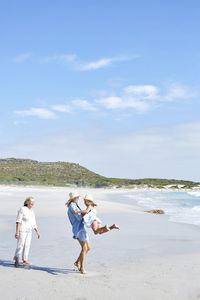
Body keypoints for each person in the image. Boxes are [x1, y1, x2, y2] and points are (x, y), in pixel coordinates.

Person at [66, 192, 90, 274]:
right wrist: (86, 211)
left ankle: (77, 262)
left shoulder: (75, 205)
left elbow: (80, 215)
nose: (78, 198)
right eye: (76, 197)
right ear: (73, 198)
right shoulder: (72, 205)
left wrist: (86, 212)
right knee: (84, 248)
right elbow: (79, 218)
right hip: (78, 229)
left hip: (81, 227)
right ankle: (82, 268)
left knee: (88, 248)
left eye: (78, 197)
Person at [13, 197, 40, 267]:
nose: (32, 205)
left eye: (33, 204)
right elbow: (18, 221)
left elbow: (33, 222)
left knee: (27, 245)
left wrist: (37, 232)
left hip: (29, 231)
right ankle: (16, 260)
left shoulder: (32, 211)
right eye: (31, 203)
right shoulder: (22, 209)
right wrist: (17, 232)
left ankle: (25, 260)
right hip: (22, 230)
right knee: (20, 245)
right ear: (27, 203)